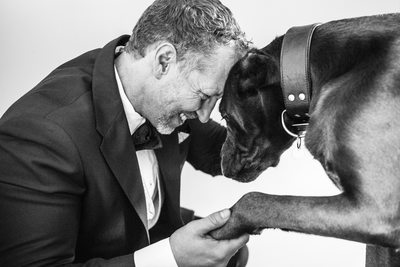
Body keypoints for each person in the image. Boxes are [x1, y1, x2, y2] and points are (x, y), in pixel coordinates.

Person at [0, 0, 250, 266]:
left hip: (145, 230)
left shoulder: (161, 89)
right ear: (164, 61)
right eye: (204, 96)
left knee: (236, 254)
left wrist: (288, 107)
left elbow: (225, 153)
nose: (204, 115)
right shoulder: (42, 135)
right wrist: (171, 259)